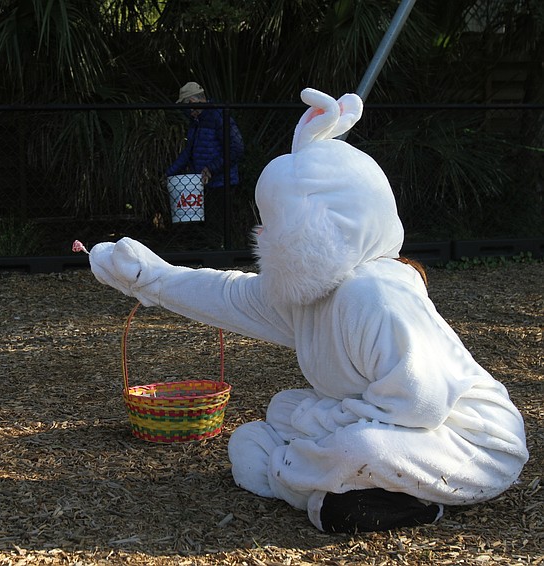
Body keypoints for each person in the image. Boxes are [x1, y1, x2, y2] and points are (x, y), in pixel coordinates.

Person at [88, 88, 528, 532]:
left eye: (277, 222)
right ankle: (332, 488)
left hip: (470, 444)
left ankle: (316, 486)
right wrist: (150, 277)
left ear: (319, 224)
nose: (264, 234)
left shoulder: (374, 295)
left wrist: (317, 420)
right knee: (279, 411)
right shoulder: (313, 293)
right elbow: (229, 295)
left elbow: (421, 402)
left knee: (357, 447)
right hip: (391, 426)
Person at [166, 81, 244, 247]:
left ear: (192, 103)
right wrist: (169, 173)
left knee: (216, 223)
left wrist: (211, 169)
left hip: (222, 181)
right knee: (206, 223)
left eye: (186, 107)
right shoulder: (197, 121)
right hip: (202, 182)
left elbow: (236, 148)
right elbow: (189, 150)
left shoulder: (218, 116)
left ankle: (218, 256)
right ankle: (212, 254)